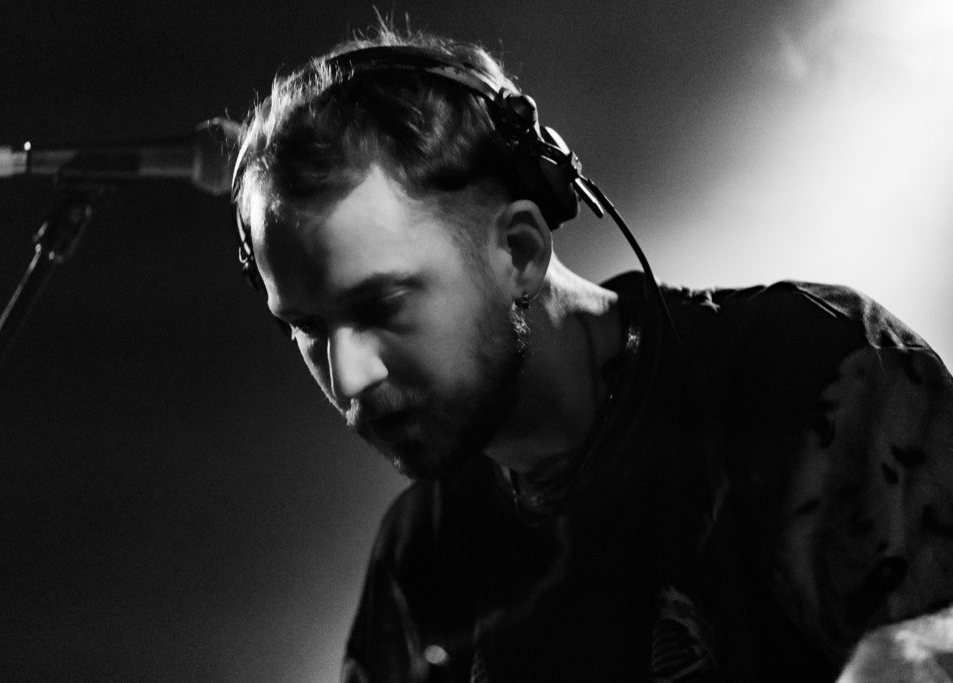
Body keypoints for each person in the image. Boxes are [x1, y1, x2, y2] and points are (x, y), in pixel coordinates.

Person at [230, 25, 953, 682]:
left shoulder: (810, 370)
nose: (351, 375)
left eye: (383, 306)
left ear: (520, 252)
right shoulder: (420, 556)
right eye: (308, 327)